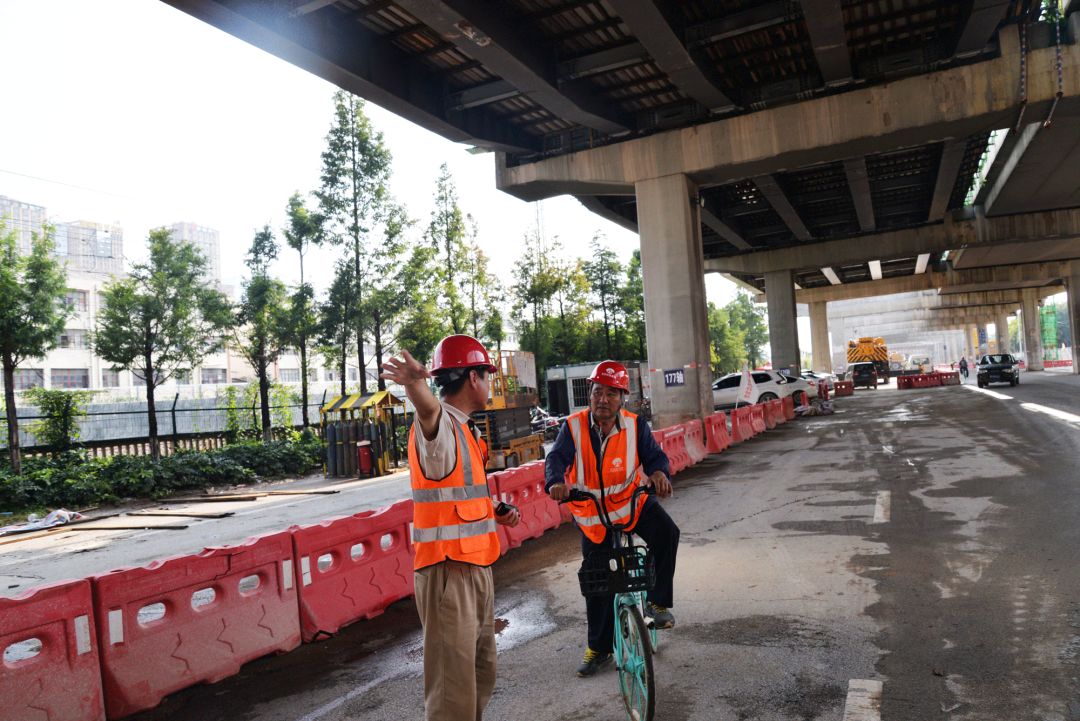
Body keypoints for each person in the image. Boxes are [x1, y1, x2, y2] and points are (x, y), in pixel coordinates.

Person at [380, 334, 521, 721]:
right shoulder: (440, 425)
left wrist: (495, 509)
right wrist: (415, 385)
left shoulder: (466, 432)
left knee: (479, 675)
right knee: (452, 695)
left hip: (475, 568)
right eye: (487, 375)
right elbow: (428, 412)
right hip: (447, 573)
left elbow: (457, 494)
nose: (490, 384)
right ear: (473, 378)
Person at [544, 360, 680, 677]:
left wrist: (659, 473)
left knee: (667, 533)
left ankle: (658, 604)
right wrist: (555, 484)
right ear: (589, 395)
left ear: (622, 398)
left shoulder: (635, 426)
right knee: (598, 580)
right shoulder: (573, 427)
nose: (602, 399)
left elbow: (655, 457)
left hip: (632, 503)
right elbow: (556, 459)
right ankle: (599, 649)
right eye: (597, 392)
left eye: (610, 394)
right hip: (593, 514)